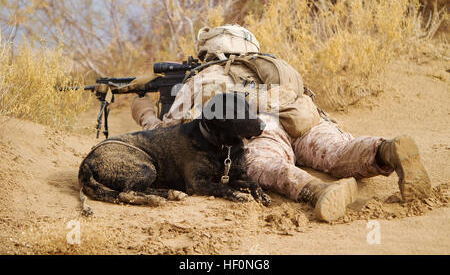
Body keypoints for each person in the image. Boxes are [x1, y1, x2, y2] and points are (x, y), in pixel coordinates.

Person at [131, 24, 432, 222]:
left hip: (256, 129)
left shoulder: (204, 77)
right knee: (338, 151)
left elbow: (169, 135)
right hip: (302, 120)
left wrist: (144, 111)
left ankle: (317, 190)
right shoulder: (269, 69)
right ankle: (385, 150)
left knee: (264, 164)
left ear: (210, 52)